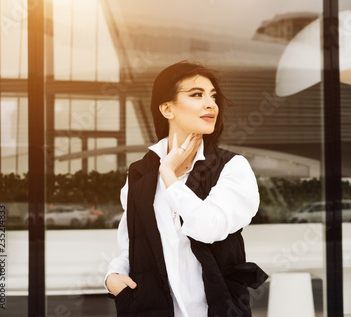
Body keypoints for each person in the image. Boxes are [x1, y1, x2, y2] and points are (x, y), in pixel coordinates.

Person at [105, 61, 268, 317]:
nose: (210, 103)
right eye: (196, 95)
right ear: (167, 108)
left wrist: (169, 176)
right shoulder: (139, 173)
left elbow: (209, 228)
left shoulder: (232, 168)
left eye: (212, 96)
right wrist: (113, 276)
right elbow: (132, 245)